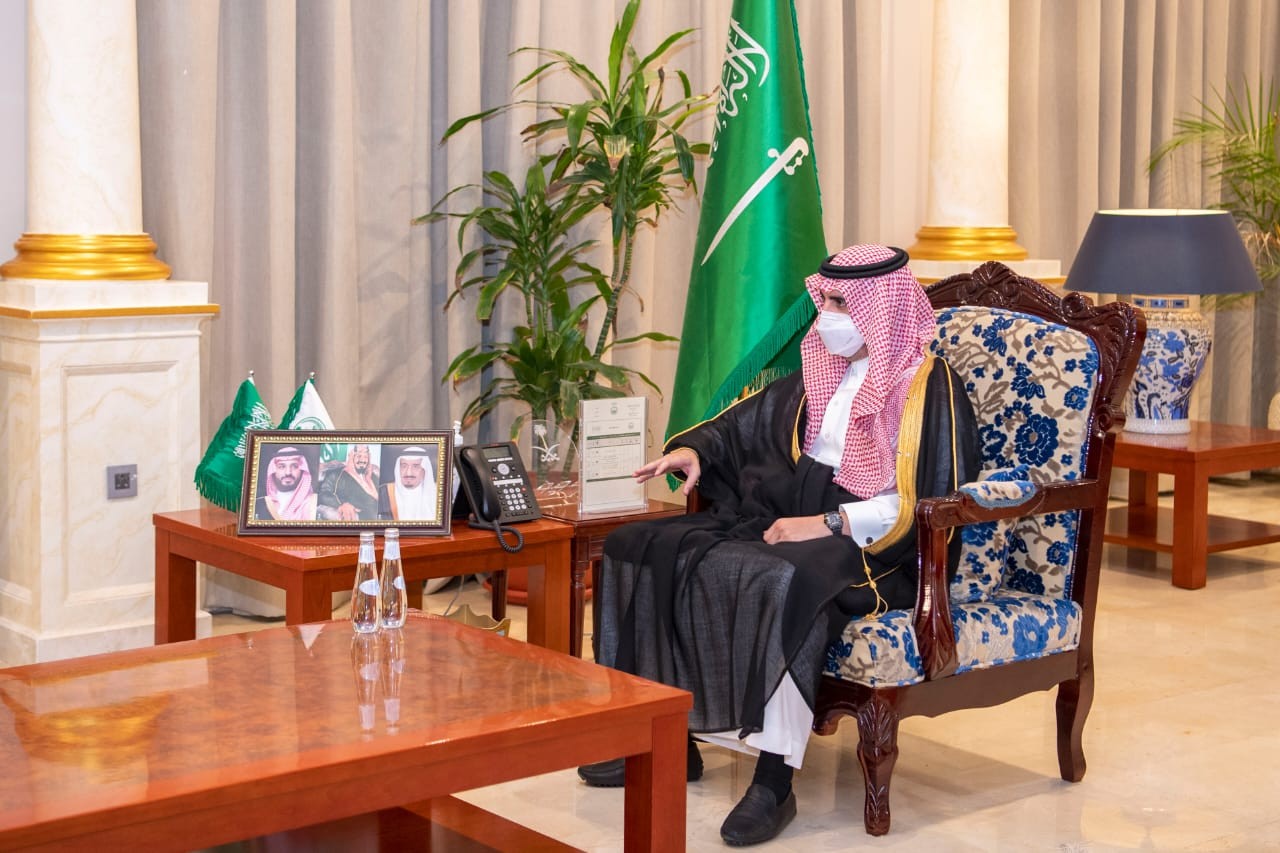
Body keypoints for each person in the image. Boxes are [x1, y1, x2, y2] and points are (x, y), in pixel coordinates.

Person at [579, 244, 981, 846]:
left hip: (876, 546)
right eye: (826, 301)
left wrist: (828, 523)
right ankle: (665, 740)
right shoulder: (821, 370)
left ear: (884, 308)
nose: (827, 316)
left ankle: (773, 781)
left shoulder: (930, 388)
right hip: (789, 515)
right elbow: (744, 424)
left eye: (842, 304)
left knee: (782, 578)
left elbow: (930, 500)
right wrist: (695, 450)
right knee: (637, 547)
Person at [254, 445, 319, 521]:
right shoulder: (259, 504)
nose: (288, 472)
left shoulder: (315, 504)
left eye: (294, 466)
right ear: (273, 470)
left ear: (302, 470)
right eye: (281, 467)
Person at [317, 444, 380, 521]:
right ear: (352, 457)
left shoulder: (372, 477)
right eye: (359, 456)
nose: (362, 460)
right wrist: (342, 504)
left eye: (365, 457)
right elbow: (323, 494)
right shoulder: (337, 474)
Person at [378, 447, 438, 521]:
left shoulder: (438, 493)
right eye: (404, 466)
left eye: (415, 466)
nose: (408, 473)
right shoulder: (383, 492)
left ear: (425, 469)